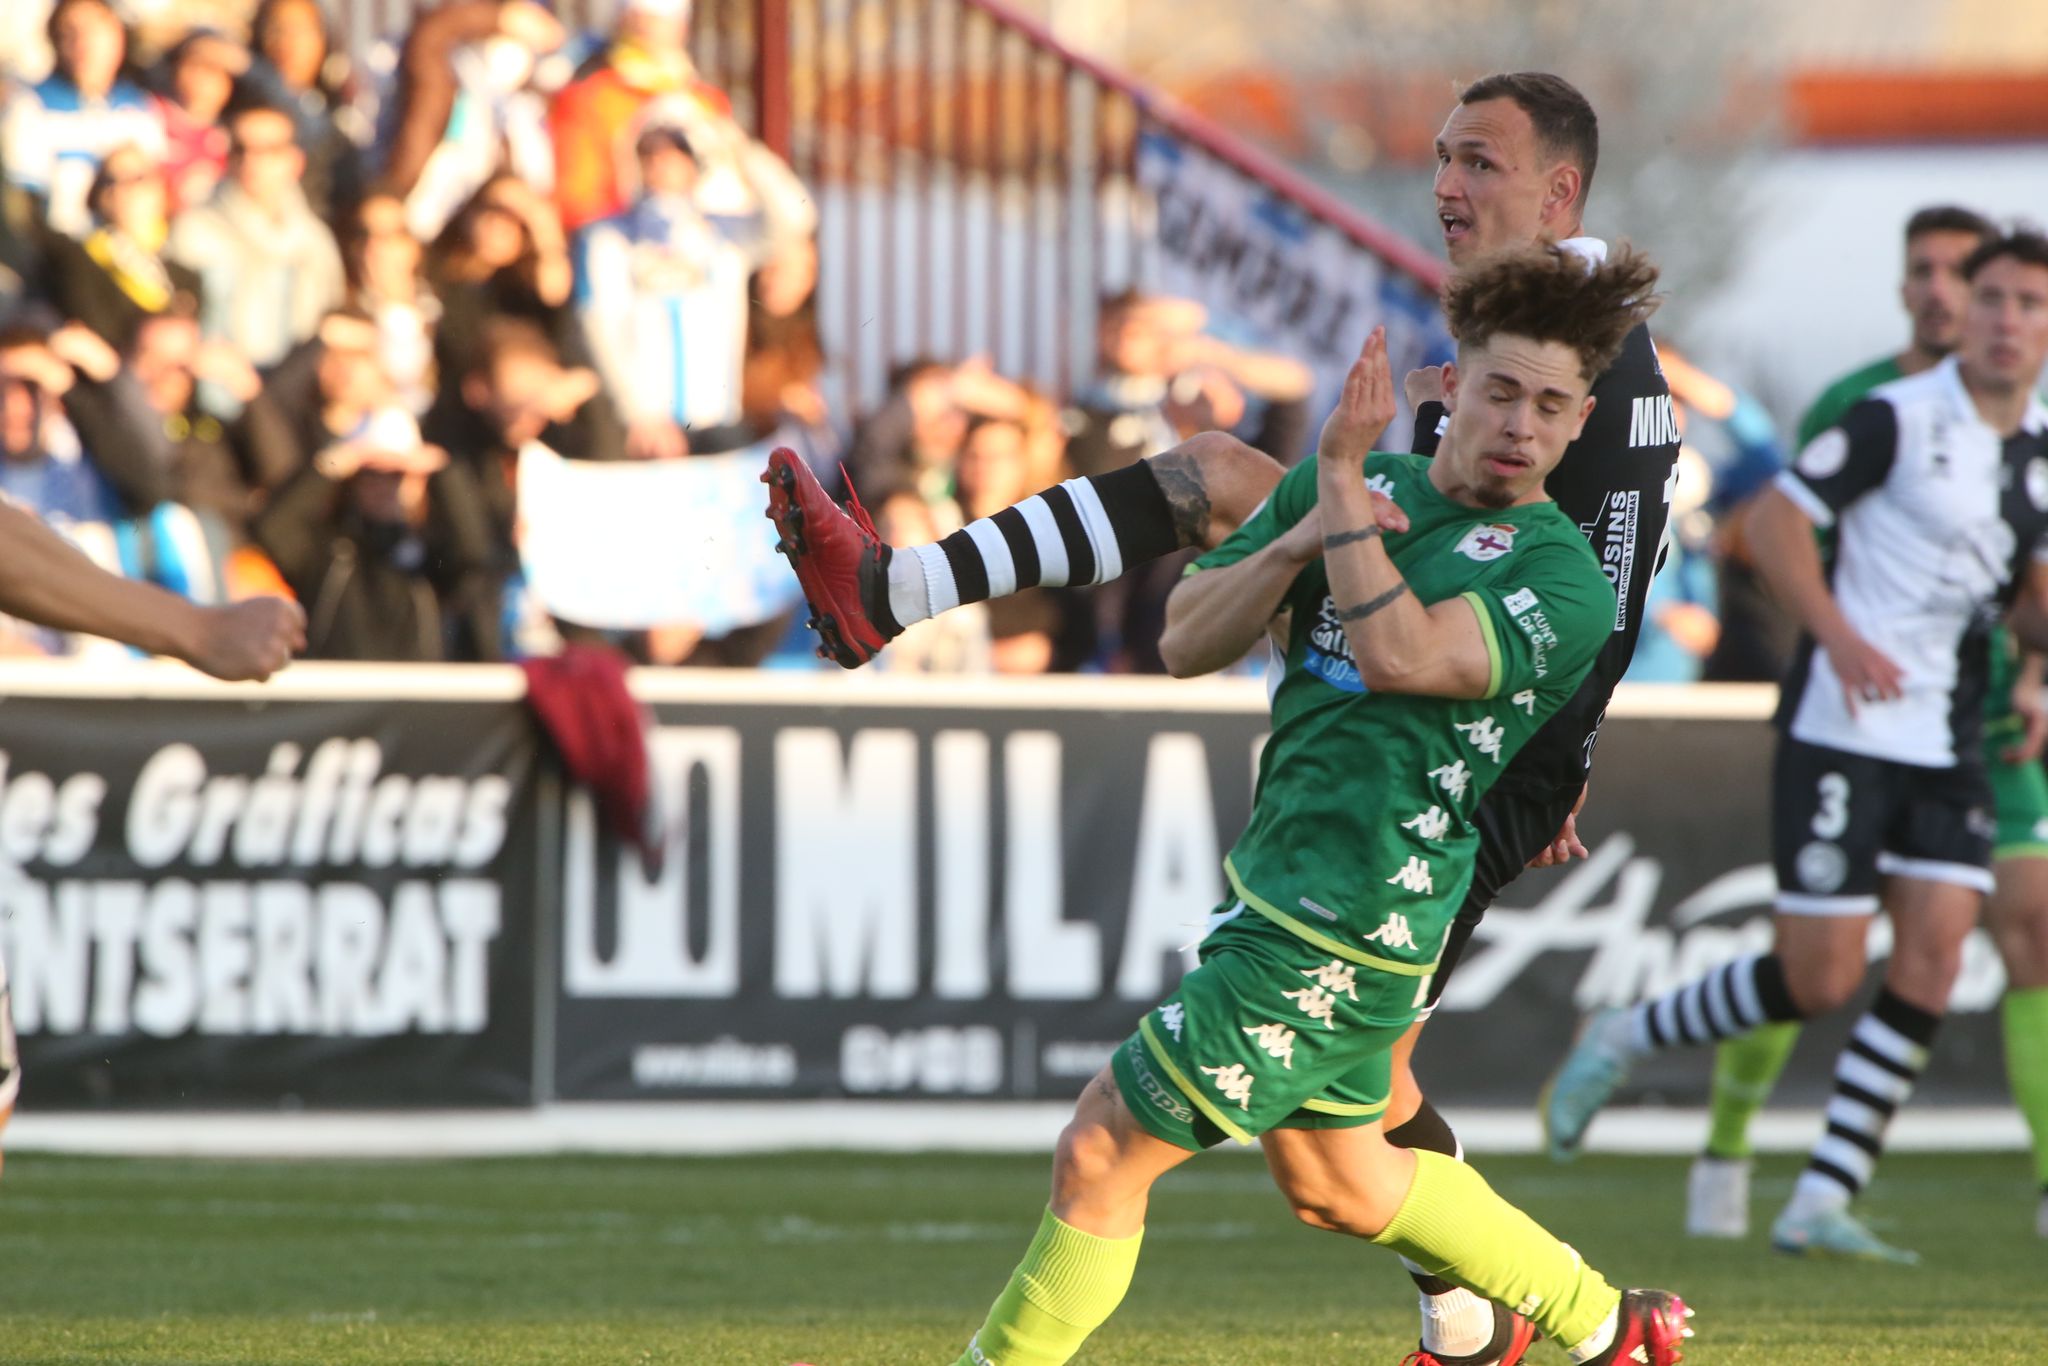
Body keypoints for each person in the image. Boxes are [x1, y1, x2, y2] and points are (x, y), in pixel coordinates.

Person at [769, 71, 1682, 1365]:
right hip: (1395, 782)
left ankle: (1534, 1322)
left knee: (1107, 1148)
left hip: (1416, 810)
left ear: (1560, 191)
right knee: (1339, 1167)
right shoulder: (1539, 337)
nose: (1446, 186)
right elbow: (1188, 634)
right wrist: (1324, 509)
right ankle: (1561, 1323)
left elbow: (1534, 608)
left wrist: (1531, 734)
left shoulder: (1584, 390)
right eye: (1442, 158)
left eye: (1479, 162)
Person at [1540, 229, 2048, 1265]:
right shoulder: (1894, 417)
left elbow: (2027, 602)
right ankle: (1626, 1035)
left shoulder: (2036, 450)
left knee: (1937, 954)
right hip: (1839, 724)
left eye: (2028, 304)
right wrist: (1838, 634)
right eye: (1990, 298)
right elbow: (1771, 523)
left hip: (1948, 733)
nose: (2006, 320)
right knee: (1814, 977)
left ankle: (1820, 1193)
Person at [167, 99, 346, 372]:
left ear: (295, 160)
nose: (252, 160)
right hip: (214, 387)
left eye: (269, 149)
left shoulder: (315, 242)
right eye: (241, 149)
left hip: (293, 390)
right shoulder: (193, 232)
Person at [0, 0, 165, 239]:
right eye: (69, 32)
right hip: (59, 256)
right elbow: (22, 210)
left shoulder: (139, 110)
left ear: (118, 34)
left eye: (94, 30)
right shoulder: (30, 108)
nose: (83, 44)